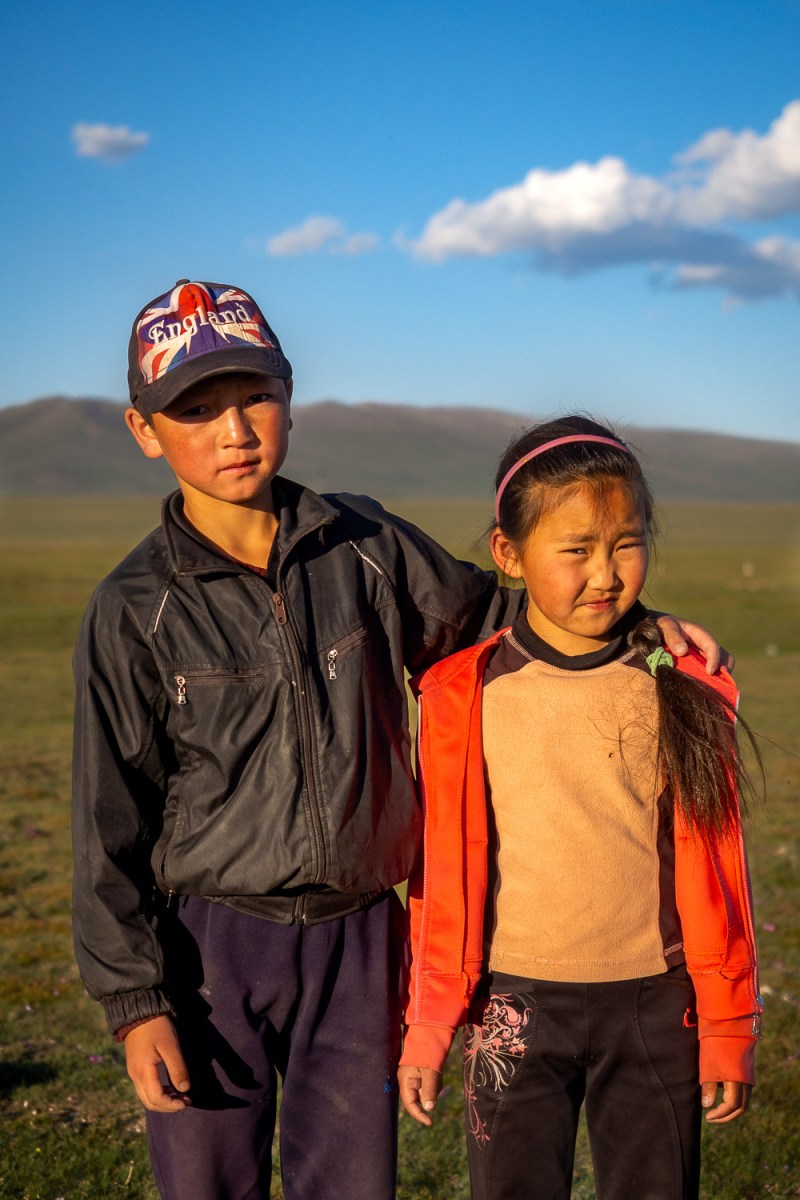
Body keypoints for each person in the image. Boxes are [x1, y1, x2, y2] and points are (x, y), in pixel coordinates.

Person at [71, 281, 729, 1200]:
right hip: (211, 950)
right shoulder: (135, 607)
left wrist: (640, 623)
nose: (235, 430)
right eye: (195, 409)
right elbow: (109, 821)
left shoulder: (366, 545)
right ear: (144, 429)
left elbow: (509, 606)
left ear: (290, 396)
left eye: (255, 396)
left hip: (361, 939)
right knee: (206, 1181)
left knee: (350, 1184)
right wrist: (136, 1003)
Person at [398, 415, 762, 1200]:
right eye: (576, 549)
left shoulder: (682, 686)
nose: (605, 574)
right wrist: (429, 1024)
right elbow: (442, 874)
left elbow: (720, 869)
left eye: (626, 543)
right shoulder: (464, 693)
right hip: (513, 1004)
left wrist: (728, 1023)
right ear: (509, 554)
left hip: (657, 1007)